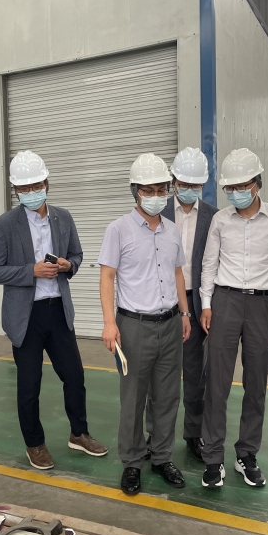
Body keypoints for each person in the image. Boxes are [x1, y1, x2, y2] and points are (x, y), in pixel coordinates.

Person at [0, 150, 107, 471]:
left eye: (36, 185)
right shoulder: (4, 225)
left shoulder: (63, 218)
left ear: (47, 183)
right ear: (15, 190)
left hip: (58, 311)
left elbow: (77, 255)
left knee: (74, 376)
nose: (31, 192)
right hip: (25, 316)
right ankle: (34, 443)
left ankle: (79, 433)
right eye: (24, 188)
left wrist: (68, 265)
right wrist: (31, 271)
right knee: (29, 383)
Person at [199, 148, 268, 489]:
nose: (236, 192)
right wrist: (206, 304)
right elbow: (209, 264)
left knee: (256, 383)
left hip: (262, 305)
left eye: (242, 186)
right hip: (224, 301)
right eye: (230, 187)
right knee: (217, 382)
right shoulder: (220, 220)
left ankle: (246, 454)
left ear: (257, 183)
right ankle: (212, 457)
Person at [99, 152, 191, 496]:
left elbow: (178, 273)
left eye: (161, 189)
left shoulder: (171, 230)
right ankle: (133, 462)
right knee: (134, 398)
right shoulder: (118, 230)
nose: (156, 196)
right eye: (148, 190)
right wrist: (109, 324)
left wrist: (185, 314)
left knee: (167, 396)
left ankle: (162, 457)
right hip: (134, 325)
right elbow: (107, 277)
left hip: (170, 323)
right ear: (135, 191)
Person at [149, 147, 217, 461]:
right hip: (161, 301)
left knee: (195, 373)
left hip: (197, 299)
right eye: (184, 183)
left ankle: (194, 434)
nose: (189, 189)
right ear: (173, 181)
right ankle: (154, 435)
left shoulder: (213, 216)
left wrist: (208, 304)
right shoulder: (157, 212)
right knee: (158, 374)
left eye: (195, 185)